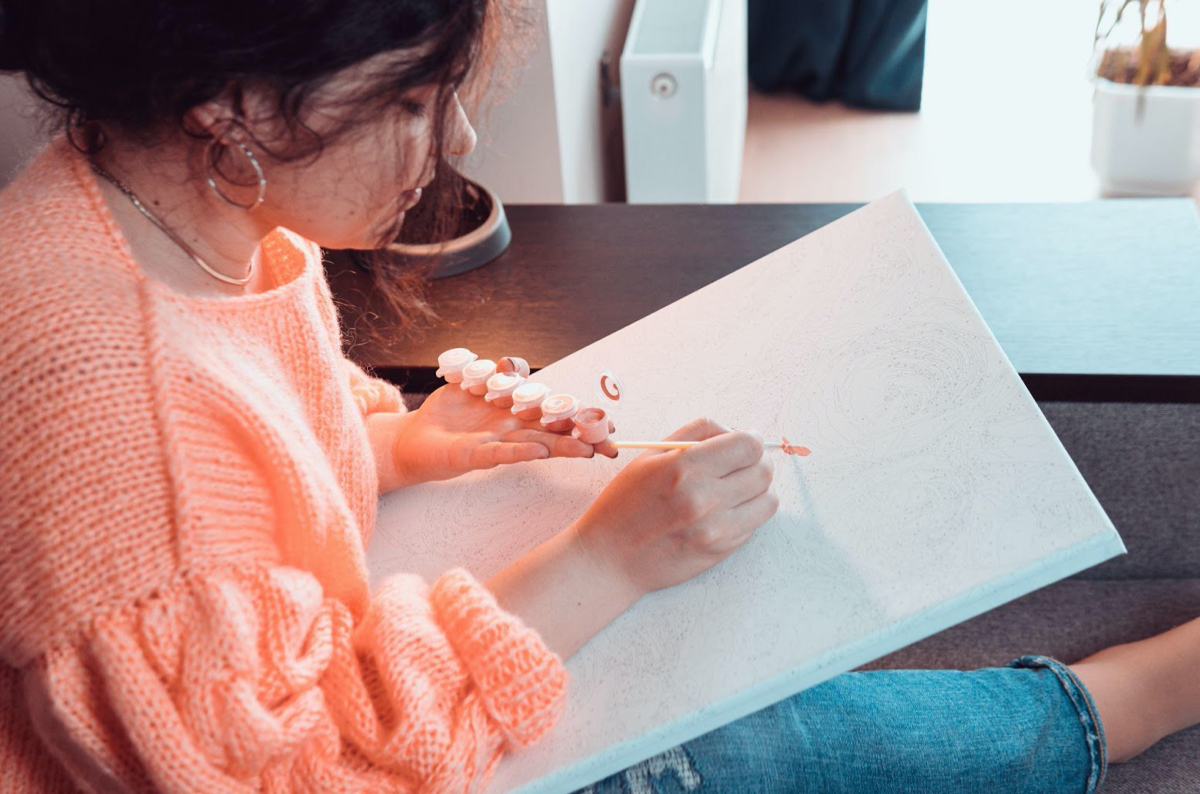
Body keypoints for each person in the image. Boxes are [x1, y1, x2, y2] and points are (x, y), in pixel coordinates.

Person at [0, 1, 1196, 792]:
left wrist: (397, 443)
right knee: (712, 739)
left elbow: (250, 474)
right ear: (238, 106)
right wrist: (604, 563)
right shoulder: (109, 413)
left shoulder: (182, 209)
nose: (452, 135)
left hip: (312, 646)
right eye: (412, 102)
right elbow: (291, 770)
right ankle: (1109, 710)